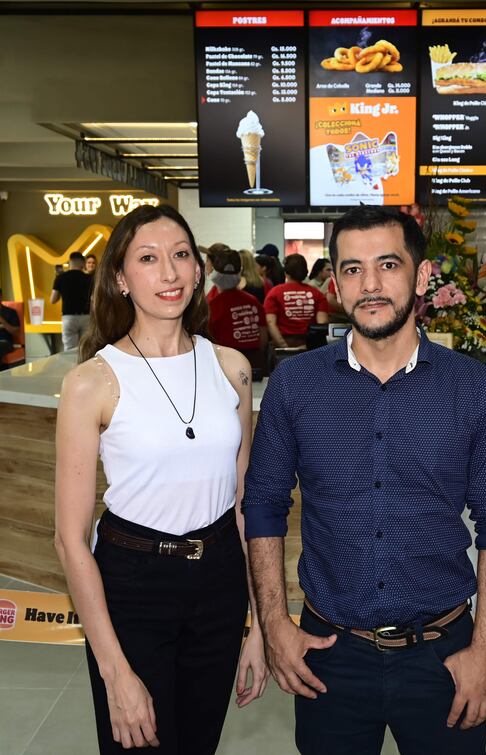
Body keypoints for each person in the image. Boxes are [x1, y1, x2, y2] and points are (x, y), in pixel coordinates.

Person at [243, 205, 486, 754]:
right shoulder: (295, 385)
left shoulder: (473, 389)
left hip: (445, 656)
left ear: (421, 277)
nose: (370, 285)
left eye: (388, 265)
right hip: (330, 656)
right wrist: (274, 622)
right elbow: (263, 507)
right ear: (335, 282)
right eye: (352, 269)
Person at [54, 204, 267, 754]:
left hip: (218, 579)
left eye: (180, 256)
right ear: (122, 279)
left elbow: (245, 504)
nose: (169, 273)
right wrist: (113, 672)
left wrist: (260, 625)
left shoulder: (231, 368)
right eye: (148, 259)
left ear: (198, 270)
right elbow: (70, 538)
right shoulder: (92, 382)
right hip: (132, 585)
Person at [208, 248, 268, 369]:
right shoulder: (253, 302)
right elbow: (263, 338)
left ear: (214, 273)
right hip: (254, 363)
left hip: (225, 365)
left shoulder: (210, 306)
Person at [263, 253, 329, 348]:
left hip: (282, 345)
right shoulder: (317, 294)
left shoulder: (274, 293)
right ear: (305, 272)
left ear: (286, 272)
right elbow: (322, 326)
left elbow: (270, 323)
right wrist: (308, 347)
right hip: (308, 346)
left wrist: (284, 346)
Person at [51, 251, 93, 350]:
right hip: (86, 317)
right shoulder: (89, 278)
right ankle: (84, 365)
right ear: (83, 263)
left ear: (70, 262)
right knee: (86, 348)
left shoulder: (60, 278)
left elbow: (53, 299)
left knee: (69, 350)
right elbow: (94, 299)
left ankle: (71, 366)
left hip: (68, 317)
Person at [0, 290, 21, 361]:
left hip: (5, 342)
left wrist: (2, 320)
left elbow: (16, 332)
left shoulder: (10, 312)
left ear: (0, 296)